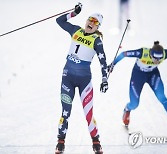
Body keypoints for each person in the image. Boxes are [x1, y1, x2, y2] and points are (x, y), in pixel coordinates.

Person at [55, 3, 108, 154]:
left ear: (98, 27)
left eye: (95, 22)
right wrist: (73, 13)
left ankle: (96, 142)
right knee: (66, 112)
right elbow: (59, 21)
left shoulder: (97, 40)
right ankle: (60, 142)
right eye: (90, 19)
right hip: (68, 78)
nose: (91, 23)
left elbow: (103, 61)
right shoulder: (75, 30)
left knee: (88, 114)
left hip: (85, 81)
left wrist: (104, 79)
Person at [108, 41, 167, 130]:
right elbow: (123, 54)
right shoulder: (142, 52)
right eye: (155, 58)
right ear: (150, 54)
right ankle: (127, 109)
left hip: (153, 75)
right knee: (134, 104)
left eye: (160, 58)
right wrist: (112, 64)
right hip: (138, 76)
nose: (157, 61)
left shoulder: (165, 53)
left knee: (162, 97)